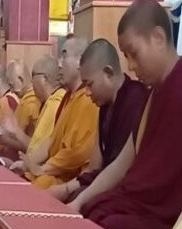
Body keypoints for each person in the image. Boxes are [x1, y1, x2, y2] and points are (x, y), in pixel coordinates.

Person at [70, 0, 182, 229]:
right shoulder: (156, 93)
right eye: (126, 56)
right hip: (153, 210)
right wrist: (80, 201)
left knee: (111, 225)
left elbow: (171, 190)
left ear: (158, 38)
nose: (131, 66)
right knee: (94, 210)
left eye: (133, 54)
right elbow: (125, 161)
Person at [47, 39, 148, 201]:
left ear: (108, 73)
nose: (87, 92)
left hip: (127, 190)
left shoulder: (136, 99)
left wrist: (69, 192)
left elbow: (123, 170)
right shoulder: (105, 106)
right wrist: (66, 189)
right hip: (103, 183)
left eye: (89, 84)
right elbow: (95, 166)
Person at [18, 37, 99, 189]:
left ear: (80, 60)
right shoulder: (67, 98)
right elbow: (52, 141)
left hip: (70, 181)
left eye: (64, 55)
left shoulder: (89, 100)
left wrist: (43, 169)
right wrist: (27, 163)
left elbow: (78, 153)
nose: (59, 64)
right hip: (53, 173)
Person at [9, 60, 41, 137]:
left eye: (12, 86)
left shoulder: (28, 103)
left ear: (21, 79)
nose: (12, 91)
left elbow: (15, 137)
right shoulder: (40, 98)